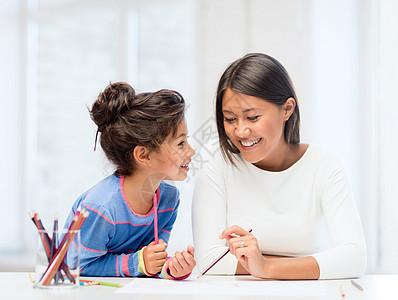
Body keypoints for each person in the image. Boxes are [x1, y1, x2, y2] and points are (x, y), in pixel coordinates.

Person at [192, 53, 367, 280]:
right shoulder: (217, 165)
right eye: (230, 119)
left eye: (253, 117)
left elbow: (354, 257)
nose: (240, 131)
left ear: (287, 109)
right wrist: (308, 265)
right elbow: (208, 260)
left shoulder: (323, 164)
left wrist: (265, 267)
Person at [64, 82, 196, 279]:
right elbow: (77, 265)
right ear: (144, 155)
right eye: (180, 143)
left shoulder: (169, 200)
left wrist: (170, 268)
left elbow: (149, 261)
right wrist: (139, 263)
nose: (192, 152)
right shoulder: (101, 207)